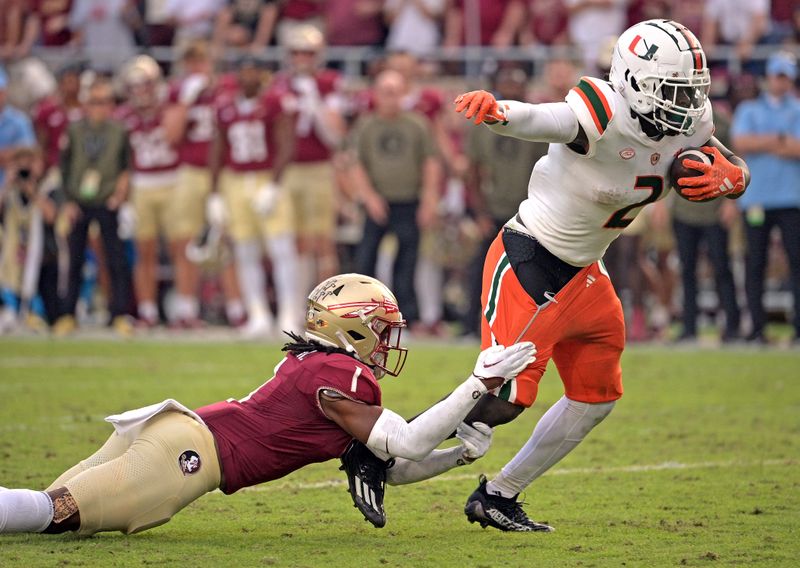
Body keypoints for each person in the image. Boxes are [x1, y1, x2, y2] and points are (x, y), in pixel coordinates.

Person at [342, 19, 753, 534]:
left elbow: (725, 163)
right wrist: (499, 113)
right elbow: (544, 118)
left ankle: (498, 494)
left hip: (586, 272)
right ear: (634, 81)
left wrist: (735, 178)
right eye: (673, 89)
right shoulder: (601, 112)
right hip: (531, 260)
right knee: (505, 396)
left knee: (596, 395)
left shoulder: (691, 121)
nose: (686, 102)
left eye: (692, 90)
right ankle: (376, 453)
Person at [0, 273, 536, 536]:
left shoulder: (320, 365)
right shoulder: (338, 372)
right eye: (380, 328)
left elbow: (391, 469)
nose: (388, 340)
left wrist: (459, 456)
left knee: (44, 508)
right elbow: (410, 440)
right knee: (49, 514)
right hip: (184, 457)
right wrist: (477, 383)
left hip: (173, 431)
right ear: (351, 327)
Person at [210, 56, 301, 337]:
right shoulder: (225, 106)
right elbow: (216, 149)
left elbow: (287, 144)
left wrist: (274, 185)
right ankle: (257, 314)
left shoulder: (274, 102)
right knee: (245, 250)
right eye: (243, 71)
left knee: (282, 248)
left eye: (252, 71)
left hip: (266, 176)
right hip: (236, 180)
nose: (247, 77)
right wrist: (213, 193)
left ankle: (289, 314)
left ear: (263, 75)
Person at [351, 70, 441, 327]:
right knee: (366, 259)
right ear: (376, 95)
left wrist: (428, 200)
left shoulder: (416, 124)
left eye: (395, 92)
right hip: (378, 201)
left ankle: (406, 315)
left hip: (408, 200)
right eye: (385, 92)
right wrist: (369, 197)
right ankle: (363, 314)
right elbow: (356, 164)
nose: (390, 98)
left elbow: (430, 163)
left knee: (407, 262)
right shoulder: (366, 125)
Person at [53, 77, 133, 337]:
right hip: (79, 201)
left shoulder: (118, 131)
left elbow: (125, 167)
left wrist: (120, 196)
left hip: (107, 200)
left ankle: (119, 313)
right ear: (86, 104)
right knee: (73, 260)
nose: (100, 107)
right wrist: (67, 201)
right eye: (96, 102)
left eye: (106, 102)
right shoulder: (75, 131)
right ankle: (67, 314)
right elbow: (63, 169)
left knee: (116, 259)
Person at [731, 51, 800, 345]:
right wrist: (780, 140)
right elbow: (740, 143)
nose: (780, 81)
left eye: (785, 76)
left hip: (790, 199)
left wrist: (763, 143)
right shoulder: (749, 109)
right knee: (755, 263)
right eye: (777, 75)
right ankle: (757, 328)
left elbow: (797, 149)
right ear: (769, 77)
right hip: (756, 199)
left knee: (796, 263)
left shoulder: (796, 108)